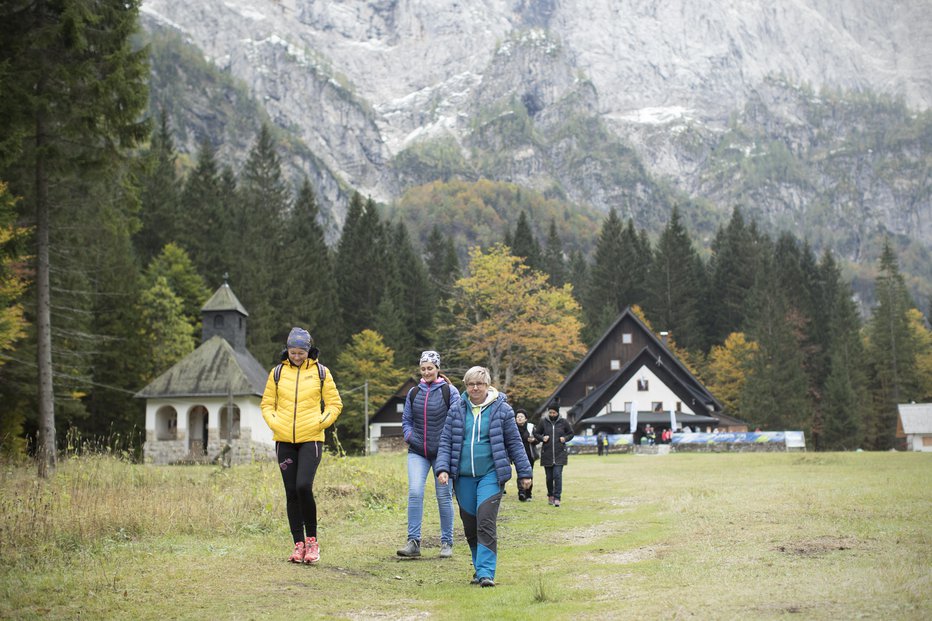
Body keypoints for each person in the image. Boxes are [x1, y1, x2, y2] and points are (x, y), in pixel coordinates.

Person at [436, 366, 532, 588]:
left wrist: (524, 473)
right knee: (470, 526)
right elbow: (446, 442)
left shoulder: (503, 410)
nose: (475, 388)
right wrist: (442, 469)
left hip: (491, 475)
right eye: (470, 384)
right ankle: (479, 568)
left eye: (479, 384)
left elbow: (515, 443)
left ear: (488, 385)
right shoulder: (457, 409)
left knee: (485, 520)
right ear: (466, 386)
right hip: (463, 477)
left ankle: (487, 572)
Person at [260, 327, 343, 565]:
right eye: (292, 352)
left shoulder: (321, 372)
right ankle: (298, 545)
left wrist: (323, 421)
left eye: (301, 352)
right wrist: (274, 422)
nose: (296, 356)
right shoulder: (276, 373)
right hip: (284, 439)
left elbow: (335, 403)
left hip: (311, 438)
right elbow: (267, 404)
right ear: (287, 350)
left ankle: (312, 542)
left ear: (308, 350)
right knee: (291, 492)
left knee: (304, 486)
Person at [397, 350, 460, 559]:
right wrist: (409, 435)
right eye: (423, 368)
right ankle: (413, 542)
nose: (426, 372)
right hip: (417, 451)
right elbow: (406, 420)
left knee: (443, 496)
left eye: (430, 368)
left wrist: (450, 446)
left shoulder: (450, 392)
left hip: (443, 452)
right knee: (415, 491)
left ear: (437, 369)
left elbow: (458, 420)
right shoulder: (414, 392)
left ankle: (446, 542)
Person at [534, 402, 574, 507]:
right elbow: (536, 433)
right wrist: (542, 438)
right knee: (549, 478)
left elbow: (571, 433)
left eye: (554, 412)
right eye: (550, 412)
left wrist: (565, 438)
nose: (552, 414)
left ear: (557, 412)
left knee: (557, 476)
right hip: (547, 454)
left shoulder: (564, 422)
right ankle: (550, 495)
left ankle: (557, 498)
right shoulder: (543, 422)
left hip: (560, 453)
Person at [514, 408, 537, 501]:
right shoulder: (512, 428)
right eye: (517, 416)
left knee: (529, 474)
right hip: (517, 456)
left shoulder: (531, 427)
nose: (519, 418)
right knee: (520, 474)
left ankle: (528, 494)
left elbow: (537, 439)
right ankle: (521, 492)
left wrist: (533, 440)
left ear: (526, 418)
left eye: (521, 416)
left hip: (529, 454)